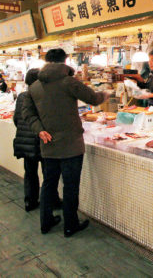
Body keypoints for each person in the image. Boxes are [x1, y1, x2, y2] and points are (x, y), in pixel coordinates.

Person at [22, 48, 108, 236]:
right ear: (65, 61)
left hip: (48, 144)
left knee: (49, 184)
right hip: (71, 145)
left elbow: (27, 113)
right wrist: (105, 93)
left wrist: (39, 130)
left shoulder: (34, 86)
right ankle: (70, 225)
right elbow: (93, 98)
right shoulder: (68, 82)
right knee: (70, 186)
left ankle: (46, 223)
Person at [13, 68, 62, 212]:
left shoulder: (21, 97)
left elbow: (16, 118)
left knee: (30, 172)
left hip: (25, 142)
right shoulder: (44, 96)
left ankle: (30, 201)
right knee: (49, 174)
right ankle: (52, 201)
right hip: (41, 141)